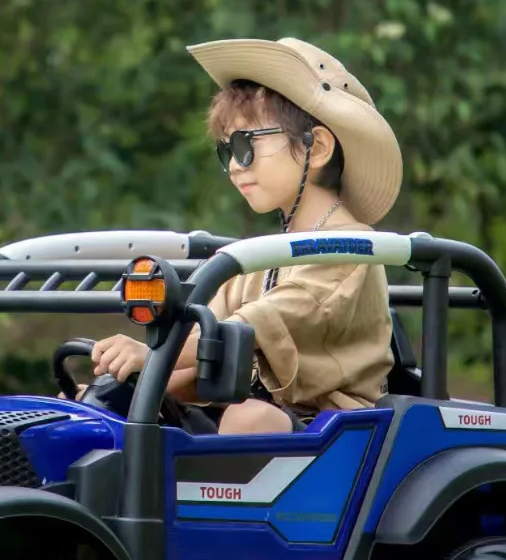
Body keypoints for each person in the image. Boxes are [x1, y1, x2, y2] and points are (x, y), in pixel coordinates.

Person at [89, 36, 403, 434]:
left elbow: (244, 330)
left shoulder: (350, 247)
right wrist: (139, 383)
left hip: (334, 433)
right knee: (99, 412)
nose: (235, 166)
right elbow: (206, 343)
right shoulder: (258, 258)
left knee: (248, 418)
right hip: (260, 414)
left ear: (316, 147)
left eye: (246, 144)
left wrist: (149, 353)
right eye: (226, 152)